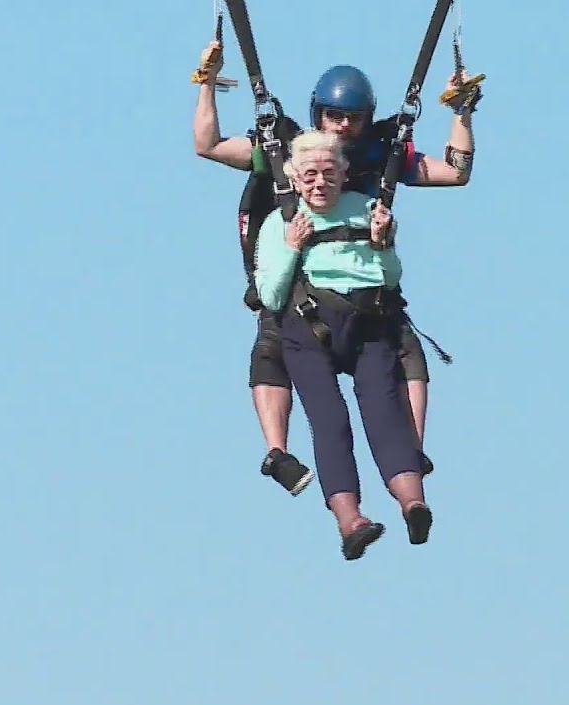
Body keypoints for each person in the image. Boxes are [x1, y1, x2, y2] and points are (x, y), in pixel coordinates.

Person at [192, 42, 478, 497]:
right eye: (335, 117)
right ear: (318, 115)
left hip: (360, 292)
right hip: (296, 283)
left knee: (406, 348)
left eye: (354, 119)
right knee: (270, 344)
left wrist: (461, 113)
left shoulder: (380, 157)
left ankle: (412, 450)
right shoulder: (293, 152)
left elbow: (455, 173)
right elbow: (207, 145)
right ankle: (277, 453)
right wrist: (207, 85)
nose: (344, 127)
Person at [254, 130, 431, 560]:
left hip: (367, 324)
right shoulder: (280, 221)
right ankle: (351, 522)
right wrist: (293, 248)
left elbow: (389, 277)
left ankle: (414, 504)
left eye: (328, 174)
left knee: (384, 411)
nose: (319, 183)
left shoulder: (368, 209)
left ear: (344, 174)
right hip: (307, 330)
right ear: (294, 178)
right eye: (310, 175)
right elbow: (272, 295)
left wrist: (383, 243)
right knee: (331, 422)